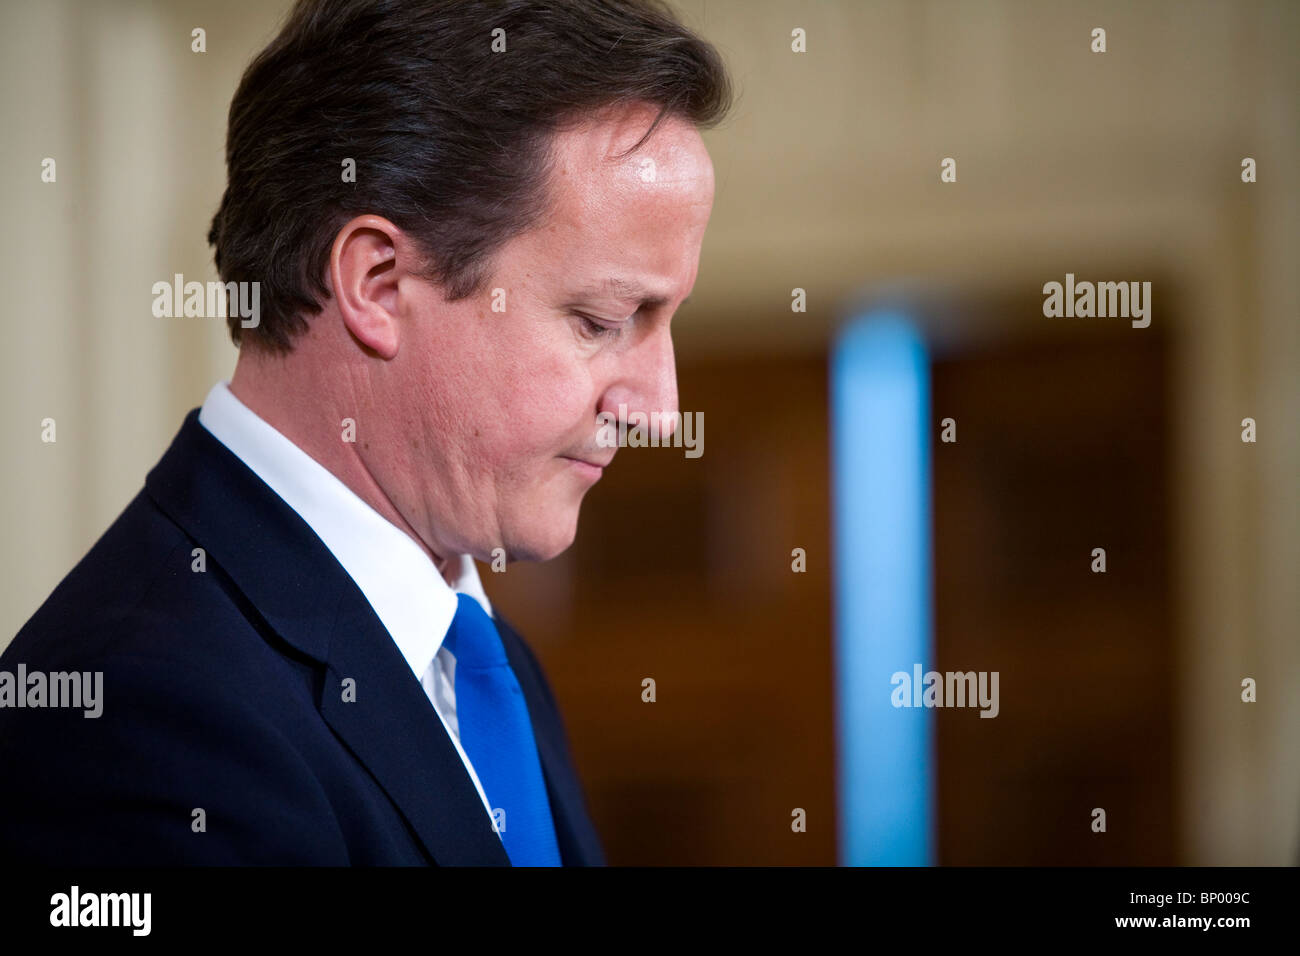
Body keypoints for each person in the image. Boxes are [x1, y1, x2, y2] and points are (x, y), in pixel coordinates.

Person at [0, 0, 730, 865]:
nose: (659, 409)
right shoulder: (135, 712)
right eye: (603, 319)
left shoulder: (486, 661)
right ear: (377, 284)